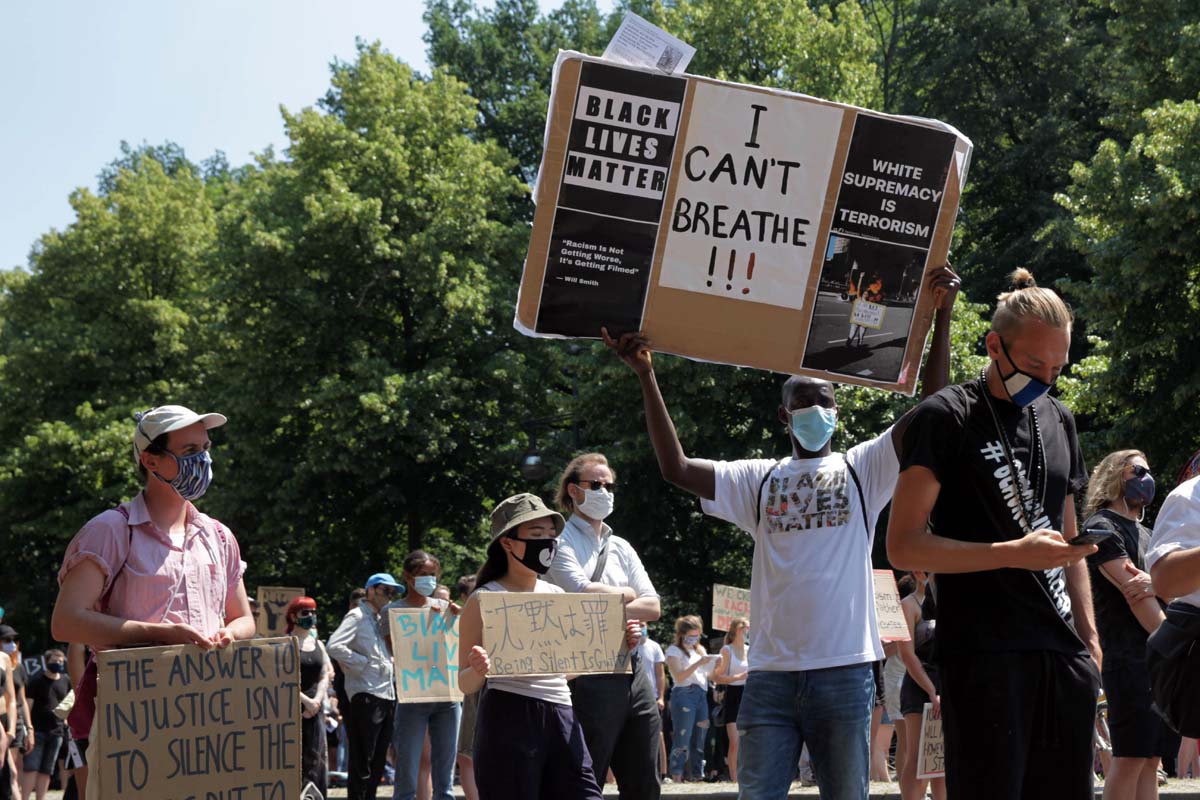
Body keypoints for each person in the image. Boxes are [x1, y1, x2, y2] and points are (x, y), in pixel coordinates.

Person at [605, 264, 959, 800]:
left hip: (842, 673)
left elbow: (936, 412)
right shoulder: (757, 479)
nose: (814, 411)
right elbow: (675, 468)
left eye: (824, 402)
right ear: (784, 416)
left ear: (838, 414)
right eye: (803, 404)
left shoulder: (864, 469)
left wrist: (942, 318)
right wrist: (646, 375)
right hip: (769, 678)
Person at [888, 268, 1102, 800]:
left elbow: (1069, 537)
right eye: (1034, 364)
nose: (1046, 378)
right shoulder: (946, 417)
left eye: (1057, 367)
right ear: (993, 345)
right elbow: (904, 544)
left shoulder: (1060, 418)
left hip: (1062, 653)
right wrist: (1011, 554)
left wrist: (1090, 639)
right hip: (984, 653)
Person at [51, 405, 256, 800]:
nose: (204, 460)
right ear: (151, 460)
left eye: (207, 447)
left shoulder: (219, 536)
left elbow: (244, 620)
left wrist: (227, 635)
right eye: (191, 449)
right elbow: (66, 622)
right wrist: (161, 634)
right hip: (130, 720)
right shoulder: (110, 531)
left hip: (207, 716)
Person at [459, 493, 640, 800]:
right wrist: (478, 669)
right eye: (536, 535)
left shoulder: (557, 594)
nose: (548, 542)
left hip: (563, 714)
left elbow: (565, 669)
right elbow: (464, 682)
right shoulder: (483, 600)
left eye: (551, 535)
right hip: (508, 716)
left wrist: (618, 643)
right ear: (507, 542)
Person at [544, 452, 663, 800]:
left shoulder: (621, 546)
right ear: (573, 491)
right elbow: (581, 596)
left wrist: (609, 602)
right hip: (587, 672)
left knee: (645, 779)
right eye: (595, 484)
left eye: (609, 485)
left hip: (635, 669)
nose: (605, 491)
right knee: (586, 777)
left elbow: (653, 606)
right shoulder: (558, 543)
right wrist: (627, 595)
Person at [1082, 450, 1175, 800]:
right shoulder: (1101, 526)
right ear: (1115, 475)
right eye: (1138, 470)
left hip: (1157, 658)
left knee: (1151, 759)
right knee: (1130, 757)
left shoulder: (1148, 534)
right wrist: (1174, 641)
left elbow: (1165, 587)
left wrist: (1158, 584)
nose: (1147, 478)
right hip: (1128, 658)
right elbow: (1136, 594)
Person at [385, 550, 461, 800]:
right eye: (422, 575)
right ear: (408, 577)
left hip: (447, 699)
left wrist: (455, 620)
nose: (428, 580)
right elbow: (395, 649)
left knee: (445, 777)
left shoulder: (444, 608)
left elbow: (456, 644)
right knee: (406, 771)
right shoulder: (392, 612)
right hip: (412, 699)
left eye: (432, 575)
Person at [328, 573, 403, 800]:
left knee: (378, 759)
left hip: (386, 693)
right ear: (370, 590)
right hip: (366, 693)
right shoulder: (357, 615)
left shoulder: (381, 618)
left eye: (393, 592)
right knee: (363, 759)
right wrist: (362, 663)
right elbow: (334, 645)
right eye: (385, 590)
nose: (390, 596)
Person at [896, 572, 943, 800]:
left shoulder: (947, 601)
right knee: (917, 758)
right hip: (919, 686)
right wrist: (931, 690)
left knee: (943, 761)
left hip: (946, 685)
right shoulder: (908, 604)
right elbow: (906, 653)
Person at [288, 596, 332, 796]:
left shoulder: (318, 645)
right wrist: (305, 702)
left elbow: (324, 675)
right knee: (297, 757)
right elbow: (283, 680)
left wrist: (317, 701)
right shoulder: (286, 644)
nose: (311, 616)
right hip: (294, 708)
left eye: (313, 612)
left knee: (317, 756)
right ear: (293, 616)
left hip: (316, 708)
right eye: (306, 612)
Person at [664, 616, 715, 783]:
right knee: (683, 736)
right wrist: (699, 663)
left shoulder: (699, 649)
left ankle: (697, 775)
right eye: (692, 635)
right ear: (682, 634)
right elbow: (679, 676)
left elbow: (709, 674)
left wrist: (718, 663)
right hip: (684, 693)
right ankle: (677, 775)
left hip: (701, 693)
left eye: (697, 635)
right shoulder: (674, 651)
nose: (695, 638)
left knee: (700, 736)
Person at [19, 650, 69, 800]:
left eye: (61, 661)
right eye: (55, 660)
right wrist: (29, 729)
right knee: (31, 768)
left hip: (57, 732)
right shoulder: (36, 681)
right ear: (47, 661)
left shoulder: (66, 680)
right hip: (38, 731)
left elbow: (69, 701)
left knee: (47, 770)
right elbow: (27, 705)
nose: (58, 664)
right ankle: (25, 797)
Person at [453, 576, 480, 800]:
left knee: (470, 754)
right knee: (466, 755)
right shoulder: (457, 616)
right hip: (471, 689)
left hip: (482, 691)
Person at [713, 618, 749, 784]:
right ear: (736, 631)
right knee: (735, 741)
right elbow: (716, 676)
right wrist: (738, 677)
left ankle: (747, 777)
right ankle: (735, 779)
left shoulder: (750, 650)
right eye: (744, 628)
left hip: (749, 694)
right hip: (733, 695)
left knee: (749, 741)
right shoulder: (727, 650)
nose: (748, 631)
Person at [636, 624, 667, 779]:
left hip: (652, 698)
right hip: (632, 696)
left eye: (643, 625)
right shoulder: (626, 645)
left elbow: (660, 674)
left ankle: (662, 773)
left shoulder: (654, 647)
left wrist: (661, 697)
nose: (641, 627)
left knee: (658, 735)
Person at [847, 272, 885, 348]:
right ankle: (848, 345)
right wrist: (861, 277)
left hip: (864, 322)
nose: (865, 295)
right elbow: (858, 287)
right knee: (852, 333)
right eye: (864, 294)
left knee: (861, 335)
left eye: (867, 294)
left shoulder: (870, 303)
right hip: (856, 320)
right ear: (862, 294)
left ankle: (859, 346)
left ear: (868, 295)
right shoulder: (859, 298)